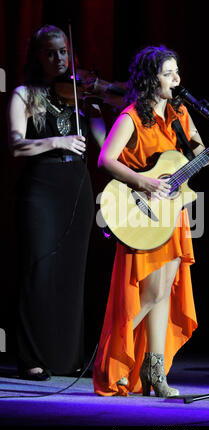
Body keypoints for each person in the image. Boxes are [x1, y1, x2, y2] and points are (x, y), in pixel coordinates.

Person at [93, 45, 209, 397]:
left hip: (174, 213)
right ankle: (110, 359)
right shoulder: (132, 116)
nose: (177, 79)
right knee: (149, 292)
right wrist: (144, 181)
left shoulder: (181, 114)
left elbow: (199, 158)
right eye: (168, 73)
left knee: (164, 292)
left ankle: (155, 374)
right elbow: (106, 159)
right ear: (151, 79)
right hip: (142, 210)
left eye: (177, 72)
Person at [6, 25, 105, 380]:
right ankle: (32, 357)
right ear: (37, 56)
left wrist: (108, 103)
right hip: (41, 188)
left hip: (76, 188)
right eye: (50, 52)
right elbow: (16, 145)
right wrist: (57, 142)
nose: (59, 59)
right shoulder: (24, 94)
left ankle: (67, 359)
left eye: (63, 52)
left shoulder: (81, 95)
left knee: (71, 274)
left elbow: (106, 149)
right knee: (39, 270)